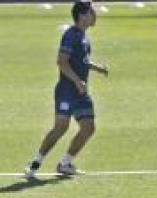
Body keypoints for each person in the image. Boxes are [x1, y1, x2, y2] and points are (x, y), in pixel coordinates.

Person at [25, 1, 109, 179]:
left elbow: (83, 61)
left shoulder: (84, 37)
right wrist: (78, 81)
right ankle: (35, 163)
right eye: (91, 12)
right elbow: (61, 62)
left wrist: (98, 68)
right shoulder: (71, 35)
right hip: (66, 91)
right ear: (82, 16)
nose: (95, 15)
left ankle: (65, 163)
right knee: (60, 128)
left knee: (88, 127)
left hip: (81, 93)